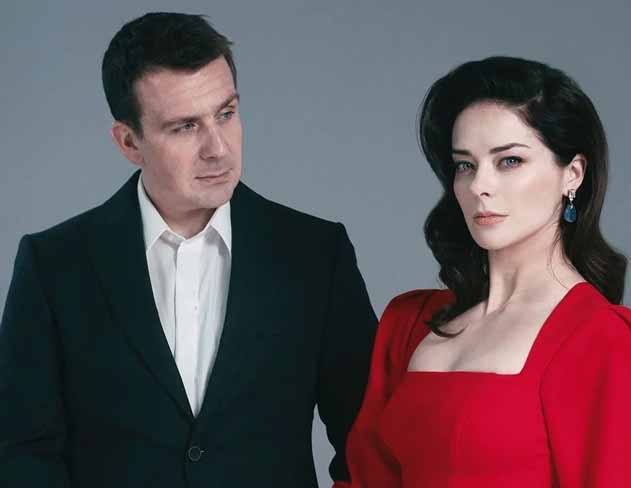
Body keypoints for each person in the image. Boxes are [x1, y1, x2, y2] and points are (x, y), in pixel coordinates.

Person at [0, 12, 377, 488]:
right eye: (184, 127)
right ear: (129, 142)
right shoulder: (54, 266)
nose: (218, 148)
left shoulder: (316, 256)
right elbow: (21, 452)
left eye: (226, 114)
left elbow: (369, 443)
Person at [337, 56, 631, 487]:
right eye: (465, 165)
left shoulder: (609, 344)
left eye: (509, 161)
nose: (479, 185)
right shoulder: (407, 325)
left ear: (573, 174)